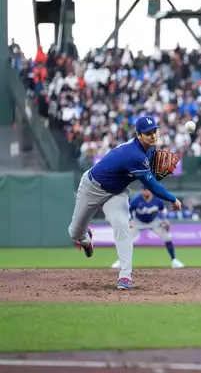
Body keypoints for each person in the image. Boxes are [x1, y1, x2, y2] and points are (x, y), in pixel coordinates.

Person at [68, 116, 182, 290]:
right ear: (138, 135)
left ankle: (125, 276)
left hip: (117, 192)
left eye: (154, 131)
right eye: (147, 133)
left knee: (122, 227)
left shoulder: (149, 150)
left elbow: (149, 173)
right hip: (92, 188)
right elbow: (152, 186)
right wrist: (173, 199)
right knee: (74, 232)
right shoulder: (134, 154)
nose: (153, 136)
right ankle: (85, 239)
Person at [110, 188, 185, 269]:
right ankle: (120, 261)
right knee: (126, 239)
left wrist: (164, 219)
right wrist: (130, 220)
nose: (146, 191)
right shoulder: (136, 200)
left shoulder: (157, 200)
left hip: (154, 222)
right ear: (142, 191)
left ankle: (174, 260)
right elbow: (129, 211)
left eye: (148, 189)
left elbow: (163, 210)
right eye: (145, 189)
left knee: (167, 237)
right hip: (138, 222)